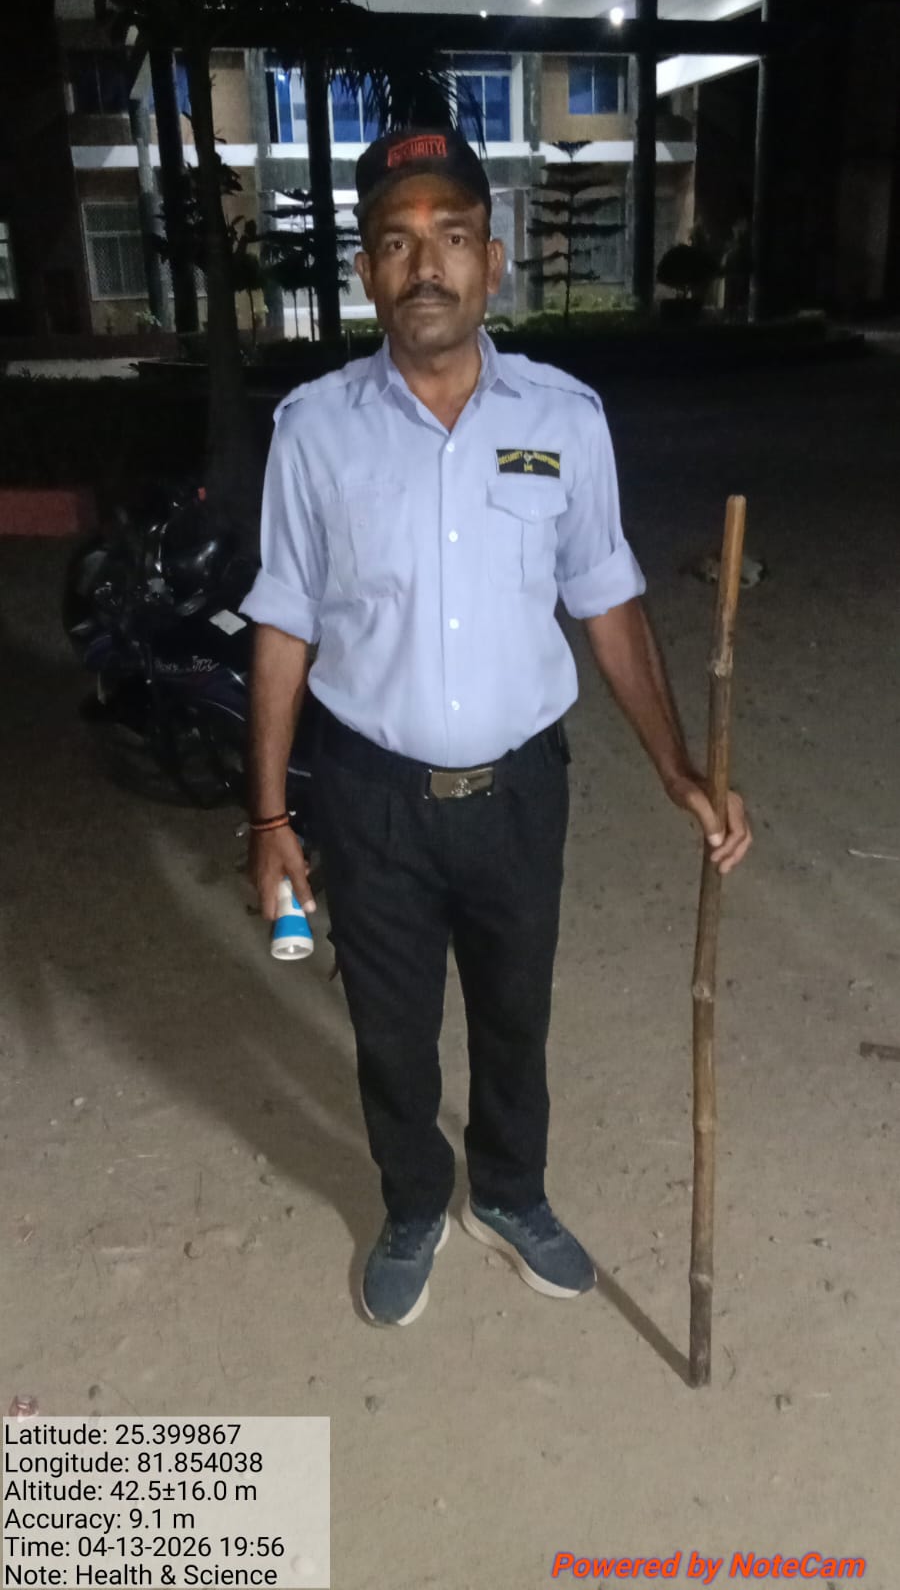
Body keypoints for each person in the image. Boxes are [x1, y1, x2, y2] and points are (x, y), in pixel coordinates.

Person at [240, 127, 752, 1329]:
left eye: (454, 237)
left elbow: (607, 600)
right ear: (367, 272)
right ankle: (415, 1201)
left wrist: (678, 767)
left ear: (495, 260)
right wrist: (267, 819)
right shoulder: (314, 430)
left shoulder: (564, 418)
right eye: (397, 242)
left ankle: (511, 1194)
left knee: (517, 1015)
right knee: (392, 1031)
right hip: (371, 797)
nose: (427, 265)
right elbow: (284, 620)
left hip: (521, 792)